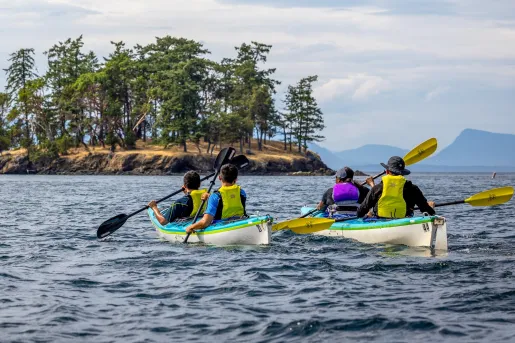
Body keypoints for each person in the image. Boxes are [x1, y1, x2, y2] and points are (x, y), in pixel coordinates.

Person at [357, 156, 435, 218]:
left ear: (387, 171)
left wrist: (368, 214)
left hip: (381, 222)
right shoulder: (413, 189)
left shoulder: (376, 189)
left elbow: (360, 212)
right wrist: (431, 207)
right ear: (403, 173)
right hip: (405, 221)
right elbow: (428, 211)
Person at [185, 163, 247, 233]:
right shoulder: (242, 192)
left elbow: (205, 222)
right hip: (240, 221)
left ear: (219, 178)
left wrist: (191, 227)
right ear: (236, 179)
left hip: (222, 227)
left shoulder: (215, 196)